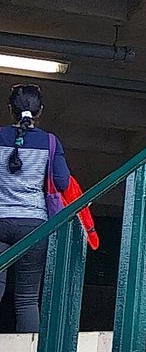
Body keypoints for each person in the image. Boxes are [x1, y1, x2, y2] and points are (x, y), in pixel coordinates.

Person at [0, 83, 69, 332]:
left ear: (10, 110)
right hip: (34, 226)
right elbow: (62, 182)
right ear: (40, 111)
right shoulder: (50, 142)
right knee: (27, 298)